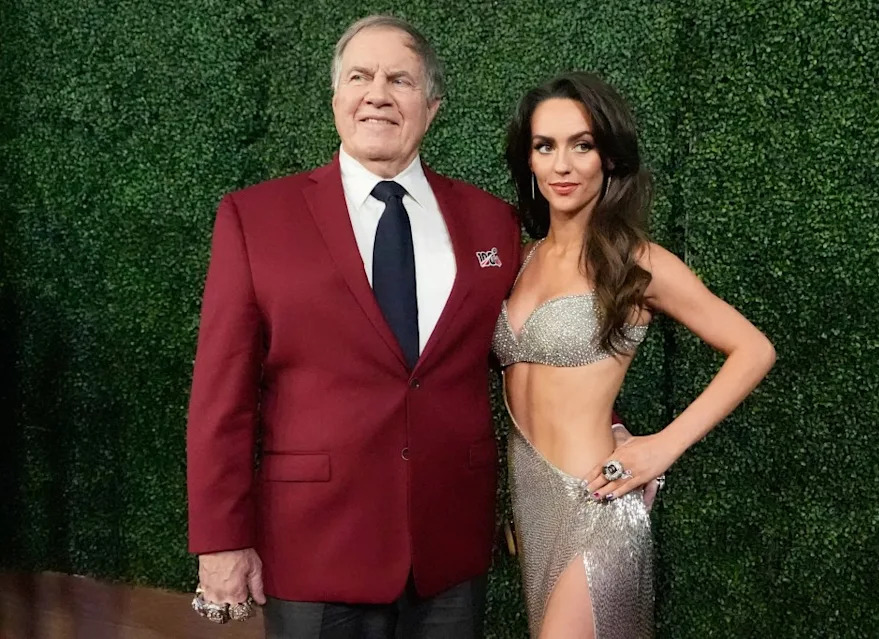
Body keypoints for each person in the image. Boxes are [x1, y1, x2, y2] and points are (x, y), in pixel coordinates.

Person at [185, 15, 523, 638]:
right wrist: (220, 540)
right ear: (336, 98)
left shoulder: (492, 222)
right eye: (360, 77)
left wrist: (600, 420)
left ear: (432, 107)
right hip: (314, 547)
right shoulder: (255, 217)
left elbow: (526, 350)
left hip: (448, 552)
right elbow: (220, 396)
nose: (377, 94)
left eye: (400, 80)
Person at [494, 72, 777, 639]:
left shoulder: (637, 262)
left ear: (610, 157)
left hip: (595, 504)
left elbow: (753, 348)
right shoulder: (519, 260)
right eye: (545, 146)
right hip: (530, 509)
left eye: (582, 145)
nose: (562, 165)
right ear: (528, 159)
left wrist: (663, 447)